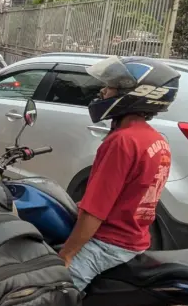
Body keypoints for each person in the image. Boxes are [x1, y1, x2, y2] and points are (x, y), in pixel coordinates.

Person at [58, 56, 177, 290]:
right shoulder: (156, 139)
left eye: (111, 87)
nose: (103, 91)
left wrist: (66, 255)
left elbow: (95, 211)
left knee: (52, 292)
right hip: (136, 240)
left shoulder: (122, 141)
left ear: (133, 94)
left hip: (108, 243)